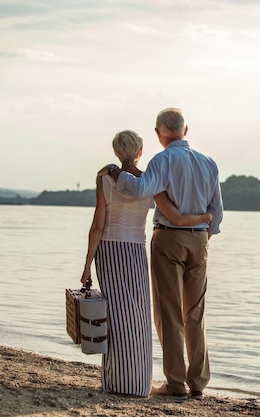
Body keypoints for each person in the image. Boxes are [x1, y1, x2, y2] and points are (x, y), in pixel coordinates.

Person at [81, 129, 211, 398]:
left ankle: (116, 380)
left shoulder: (105, 179)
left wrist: (86, 266)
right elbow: (174, 215)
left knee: (115, 315)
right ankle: (140, 383)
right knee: (139, 315)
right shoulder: (151, 182)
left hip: (109, 249)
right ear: (140, 153)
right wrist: (204, 218)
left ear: (117, 152)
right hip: (137, 250)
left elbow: (97, 226)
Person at [106, 108, 223, 401]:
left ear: (159, 134)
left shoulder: (163, 159)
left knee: (169, 313)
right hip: (200, 241)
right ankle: (198, 383)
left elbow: (142, 189)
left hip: (169, 239)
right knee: (195, 313)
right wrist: (202, 236)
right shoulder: (209, 162)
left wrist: (115, 174)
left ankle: (176, 384)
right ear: (185, 131)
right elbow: (217, 213)